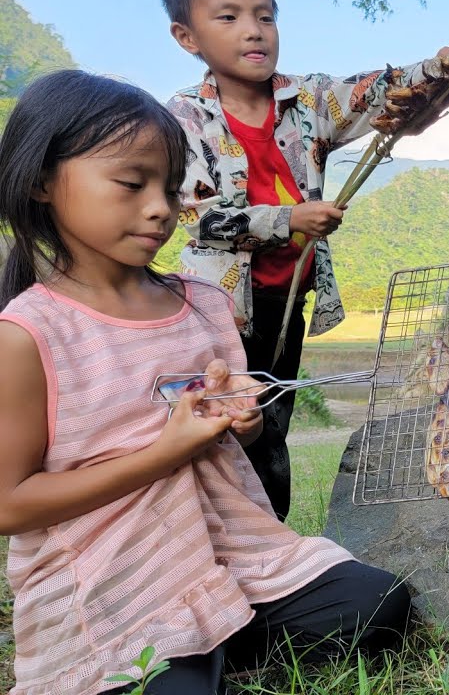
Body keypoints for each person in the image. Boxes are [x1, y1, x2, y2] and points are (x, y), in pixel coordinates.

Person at [0, 70, 411, 695]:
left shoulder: (202, 303)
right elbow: (9, 504)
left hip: (232, 552)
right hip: (114, 573)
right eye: (132, 185)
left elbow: (234, 440)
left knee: (377, 603)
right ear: (40, 184)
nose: (162, 207)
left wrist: (240, 423)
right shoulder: (30, 333)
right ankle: (184, 650)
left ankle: (217, 635)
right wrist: (165, 453)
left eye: (169, 186)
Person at [162, 0, 449, 519]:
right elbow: (200, 219)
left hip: (287, 303)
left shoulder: (308, 99)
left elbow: (375, 90)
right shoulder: (184, 118)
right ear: (188, 37)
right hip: (221, 312)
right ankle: (216, 533)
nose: (253, 32)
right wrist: (289, 218)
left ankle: (271, 535)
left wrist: (438, 71)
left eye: (265, 16)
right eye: (228, 18)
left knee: (272, 425)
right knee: (227, 424)